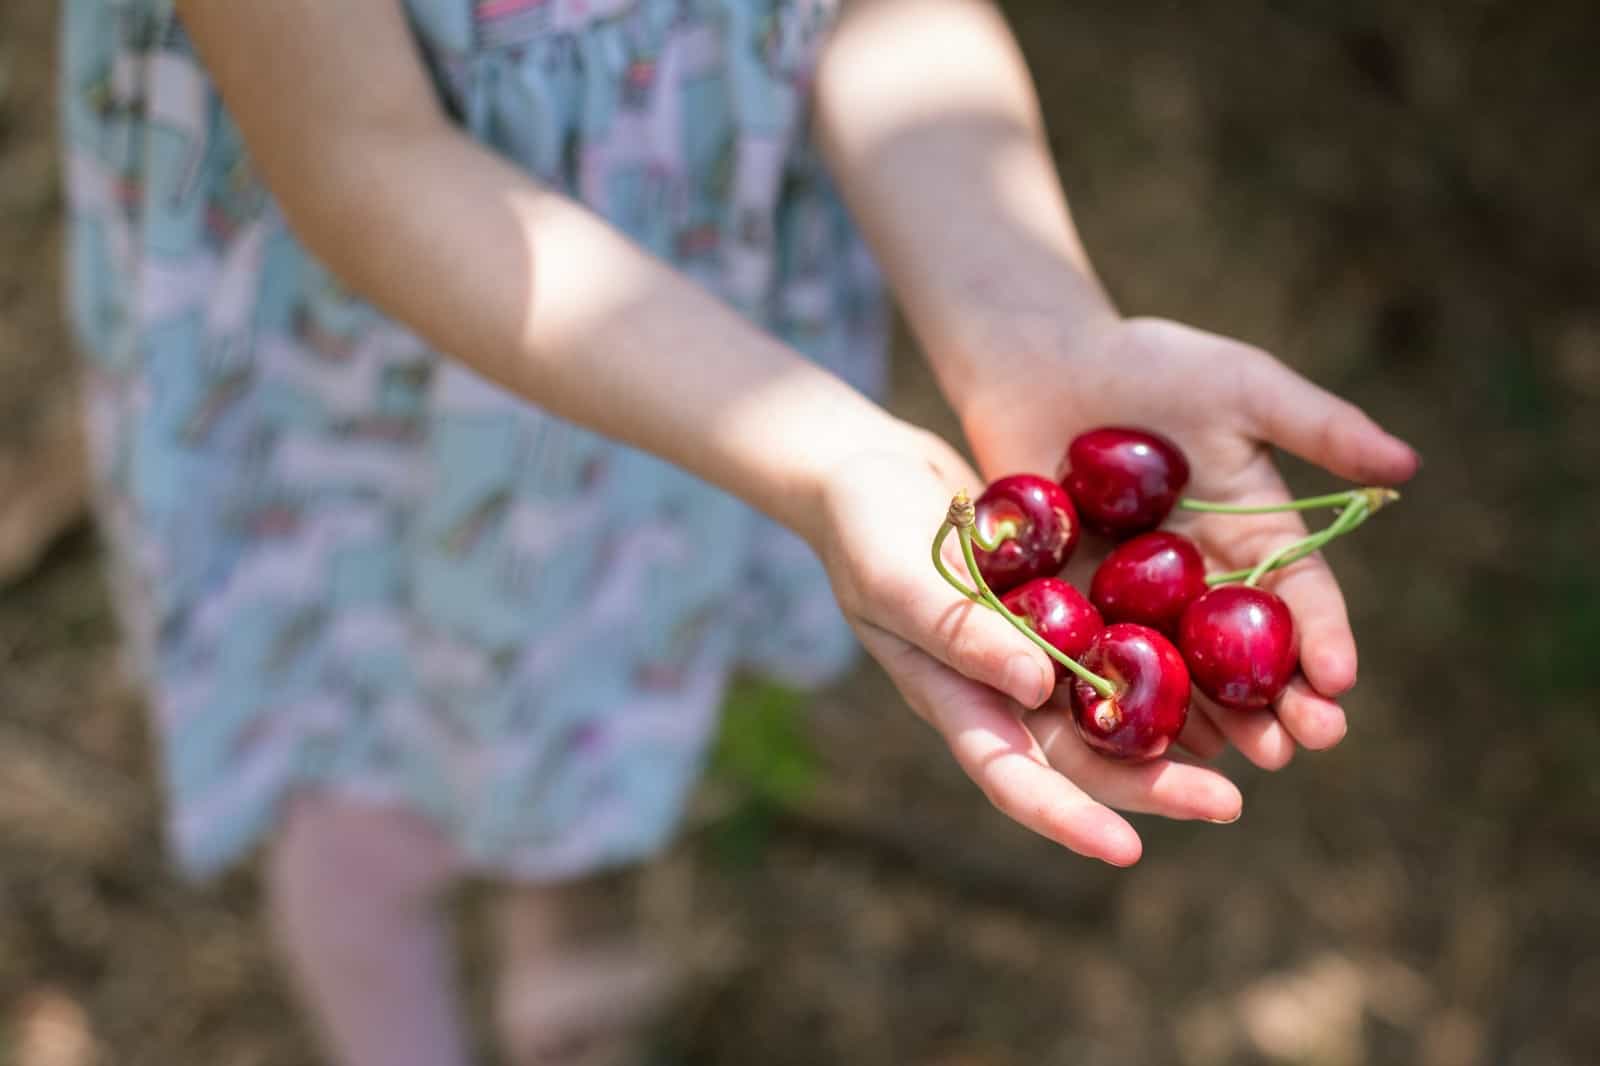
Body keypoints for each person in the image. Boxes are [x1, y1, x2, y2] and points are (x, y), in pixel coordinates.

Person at [58, 0, 1418, 1063]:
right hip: (365, 400)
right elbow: (361, 152)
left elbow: (872, 12)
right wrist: (825, 452)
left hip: (696, 386)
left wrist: (1032, 328)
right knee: (371, 792)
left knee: (617, 663)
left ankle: (569, 879)